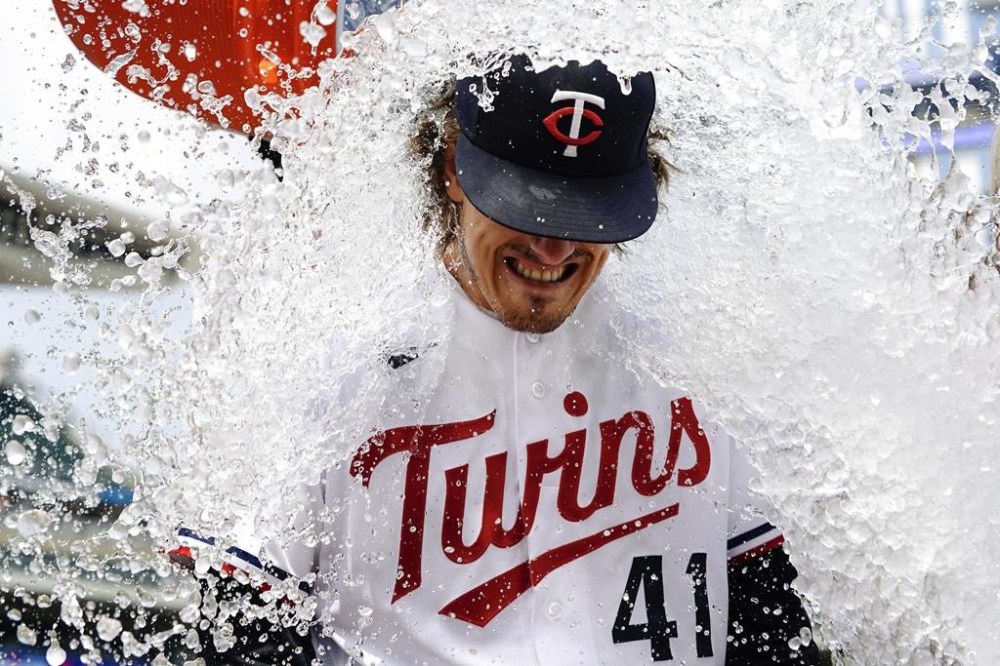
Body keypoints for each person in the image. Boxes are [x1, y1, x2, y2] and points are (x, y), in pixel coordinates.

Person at [180, 55, 822, 665]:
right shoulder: (321, 368)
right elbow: (236, 637)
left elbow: (773, 622)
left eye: (587, 211)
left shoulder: (703, 360)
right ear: (453, 167)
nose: (553, 249)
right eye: (529, 206)